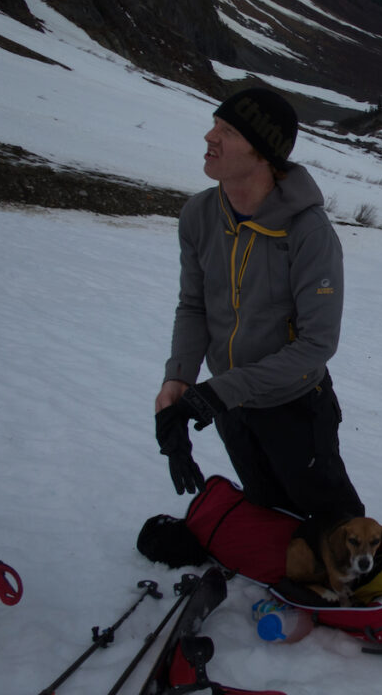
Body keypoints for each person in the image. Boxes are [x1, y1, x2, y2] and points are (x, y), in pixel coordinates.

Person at [153, 87, 364, 523]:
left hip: (295, 407)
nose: (210, 137)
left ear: (264, 152)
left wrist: (215, 393)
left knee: (335, 528)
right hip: (231, 407)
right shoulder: (198, 215)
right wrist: (179, 381)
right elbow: (194, 306)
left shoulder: (308, 233)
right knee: (269, 514)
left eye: (227, 130)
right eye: (215, 124)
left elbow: (316, 345)